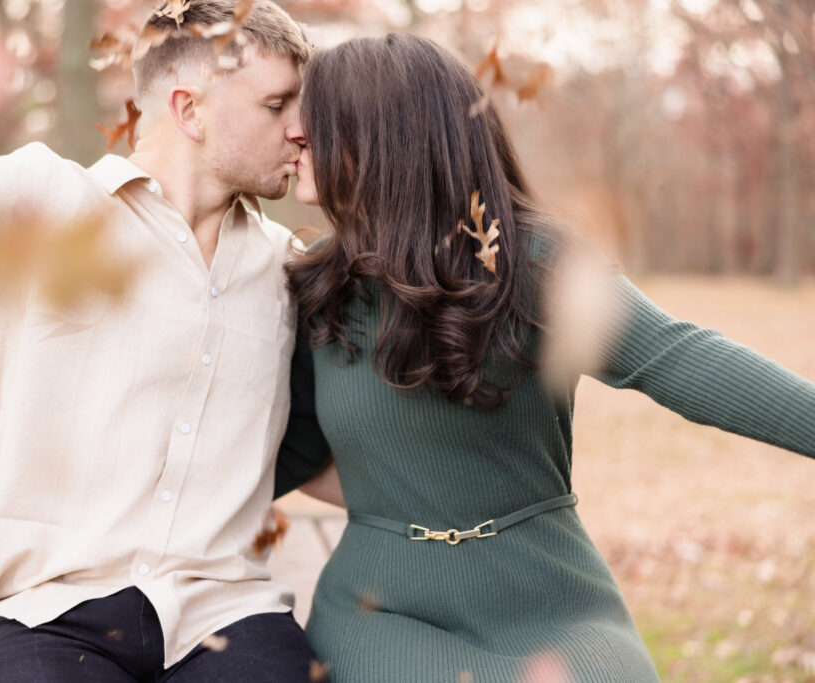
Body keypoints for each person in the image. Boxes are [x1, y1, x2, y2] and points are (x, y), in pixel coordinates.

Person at [0, 2, 323, 680]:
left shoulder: (292, 270)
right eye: (278, 105)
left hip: (228, 616)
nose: (302, 129)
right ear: (190, 111)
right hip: (47, 614)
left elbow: (355, 434)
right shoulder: (44, 206)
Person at [276, 34, 815, 682]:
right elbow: (290, 457)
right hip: (381, 609)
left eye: (315, 115)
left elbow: (676, 355)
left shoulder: (534, 261)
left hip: (551, 596)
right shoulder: (315, 287)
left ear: (382, 134)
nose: (293, 132)